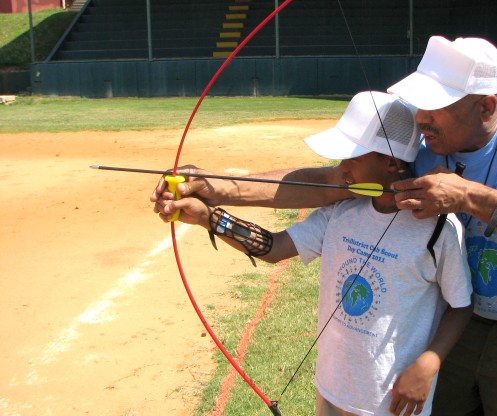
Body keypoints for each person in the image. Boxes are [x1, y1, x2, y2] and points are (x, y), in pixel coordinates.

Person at [152, 35, 497, 415]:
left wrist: (466, 196)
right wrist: (212, 189)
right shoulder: (416, 147)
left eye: (436, 107)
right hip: (461, 329)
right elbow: (324, 184)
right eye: (420, 104)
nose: (422, 118)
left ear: (484, 105)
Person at [157, 91, 473, 416]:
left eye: (353, 158)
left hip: (395, 401)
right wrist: (206, 217)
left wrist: (429, 362)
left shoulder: (438, 229)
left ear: (391, 162)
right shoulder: (343, 211)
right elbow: (273, 247)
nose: (342, 168)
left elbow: (460, 304)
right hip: (332, 388)